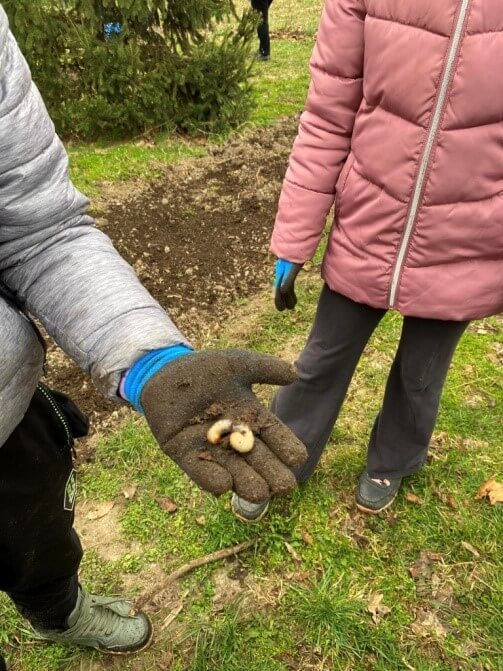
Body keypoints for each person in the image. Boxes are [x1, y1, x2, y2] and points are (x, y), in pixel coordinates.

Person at [0, 5, 307, 664]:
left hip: (7, 408)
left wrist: (150, 361)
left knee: (40, 533)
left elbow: (38, 226)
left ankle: (58, 612)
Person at [231, 0, 503, 523]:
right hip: (371, 222)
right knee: (319, 361)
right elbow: (328, 116)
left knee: (421, 375)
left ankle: (393, 460)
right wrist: (295, 234)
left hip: (468, 237)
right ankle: (279, 456)